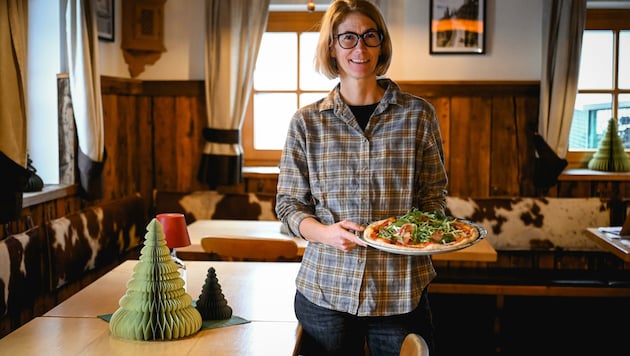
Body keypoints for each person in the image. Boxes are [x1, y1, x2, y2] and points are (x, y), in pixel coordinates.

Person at [275, 0, 448, 355]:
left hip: (399, 291)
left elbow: (433, 198)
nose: (360, 47)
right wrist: (326, 233)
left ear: (382, 43)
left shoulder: (418, 115)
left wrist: (419, 232)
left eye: (370, 36)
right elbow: (288, 205)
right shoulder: (307, 122)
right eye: (348, 38)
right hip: (326, 290)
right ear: (332, 47)